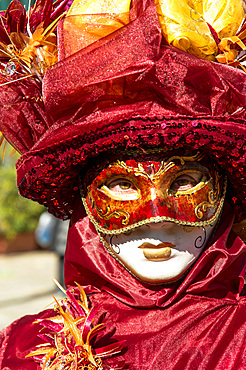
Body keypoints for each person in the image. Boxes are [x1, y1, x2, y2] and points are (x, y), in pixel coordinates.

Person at [0, 0, 246, 368]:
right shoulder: (22, 350)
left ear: (223, 189)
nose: (157, 217)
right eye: (121, 185)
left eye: (184, 182)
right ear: (84, 195)